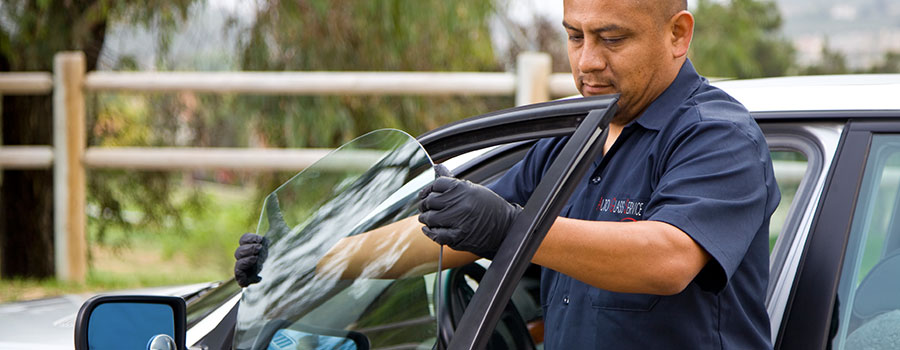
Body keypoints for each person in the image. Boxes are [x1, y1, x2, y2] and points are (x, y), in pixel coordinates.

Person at [237, 0, 780, 348]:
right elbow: (440, 235)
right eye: (574, 36)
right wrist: (306, 258)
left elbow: (667, 259)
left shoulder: (716, 136)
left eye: (612, 39)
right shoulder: (573, 139)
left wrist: (510, 229)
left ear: (678, 34)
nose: (587, 61)